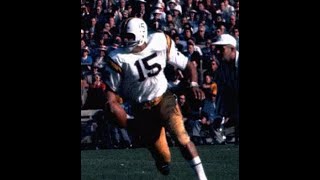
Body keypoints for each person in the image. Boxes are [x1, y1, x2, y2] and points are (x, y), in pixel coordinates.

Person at [103, 17, 208, 180]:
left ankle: (202, 178)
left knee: (181, 137)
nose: (125, 40)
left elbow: (188, 65)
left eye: (129, 36)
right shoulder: (119, 58)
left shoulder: (159, 41)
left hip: (164, 98)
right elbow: (111, 91)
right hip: (142, 109)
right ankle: (161, 160)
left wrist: (194, 84)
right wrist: (112, 105)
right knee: (164, 158)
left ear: (141, 34)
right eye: (124, 35)